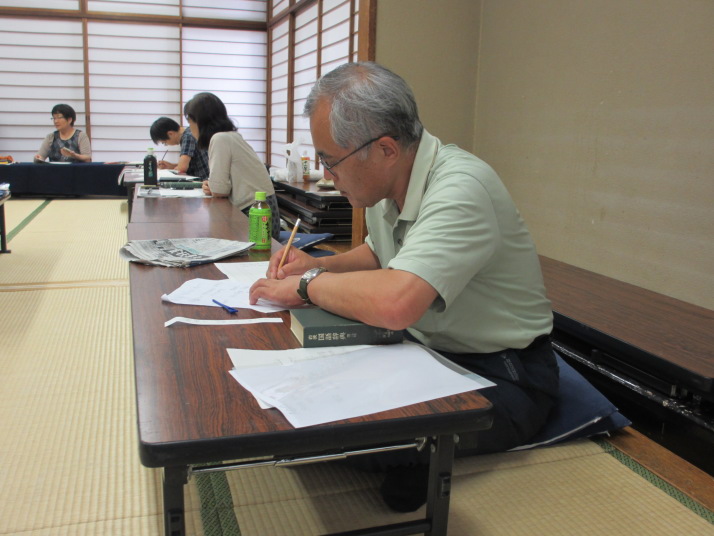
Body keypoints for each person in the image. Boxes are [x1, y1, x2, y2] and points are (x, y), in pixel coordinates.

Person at [249, 62, 559, 512]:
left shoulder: (460, 189)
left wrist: (307, 285)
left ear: (386, 149)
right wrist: (318, 264)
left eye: (330, 161)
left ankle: (418, 452)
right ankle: (415, 450)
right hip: (424, 350)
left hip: (504, 373)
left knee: (331, 433)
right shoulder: (392, 182)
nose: (326, 174)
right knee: (296, 403)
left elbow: (396, 303)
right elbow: (380, 254)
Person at [183, 92, 280, 239]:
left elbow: (219, 190)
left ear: (200, 122)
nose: (190, 129)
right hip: (262, 210)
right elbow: (220, 186)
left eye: (190, 122)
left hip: (256, 216)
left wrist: (212, 185)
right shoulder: (230, 136)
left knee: (204, 235)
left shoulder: (219, 139)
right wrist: (212, 185)